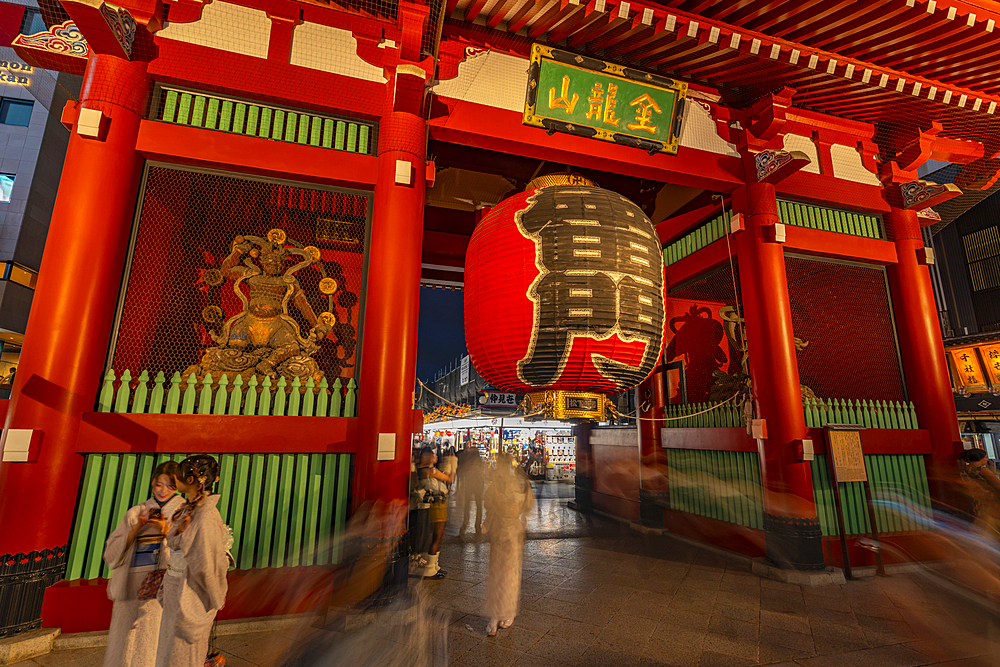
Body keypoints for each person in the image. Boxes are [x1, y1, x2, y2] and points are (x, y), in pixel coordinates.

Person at [102, 461, 186, 667]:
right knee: (124, 644)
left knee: (154, 642)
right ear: (152, 484)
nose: (164, 491)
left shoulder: (184, 514)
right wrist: (134, 531)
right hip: (131, 584)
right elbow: (111, 554)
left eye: (171, 486)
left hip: (161, 586)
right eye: (159, 484)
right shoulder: (136, 512)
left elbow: (189, 553)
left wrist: (167, 530)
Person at [155, 455, 231, 667]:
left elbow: (206, 564)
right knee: (169, 654)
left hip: (191, 594)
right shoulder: (190, 509)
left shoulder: (206, 516)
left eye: (177, 476)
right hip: (176, 589)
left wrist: (216, 596)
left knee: (183, 657)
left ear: (190, 480)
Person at [482, 453, 535, 636]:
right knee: (508, 573)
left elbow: (487, 503)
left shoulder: (496, 483)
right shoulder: (520, 483)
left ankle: (496, 617)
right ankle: (506, 614)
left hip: (500, 530)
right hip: (512, 531)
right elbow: (528, 505)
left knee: (498, 572)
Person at [415, 447, 453, 579]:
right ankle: (430, 568)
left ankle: (434, 565)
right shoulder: (431, 470)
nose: (436, 456)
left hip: (435, 504)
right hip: (438, 505)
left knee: (438, 534)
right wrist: (452, 465)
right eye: (434, 455)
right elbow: (449, 478)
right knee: (438, 534)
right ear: (430, 457)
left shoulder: (423, 469)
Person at [959, 448, 1000, 537]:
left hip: (976, 503)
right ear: (979, 458)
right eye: (985, 457)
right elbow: (998, 486)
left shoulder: (963, 470)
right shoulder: (982, 470)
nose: (987, 459)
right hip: (991, 503)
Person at [456, 441, 485, 535]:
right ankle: (477, 524)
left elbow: (462, 471)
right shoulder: (479, 463)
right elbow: (482, 474)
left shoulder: (467, 462)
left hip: (469, 484)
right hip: (478, 485)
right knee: (478, 504)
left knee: (467, 504)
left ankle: (465, 523)